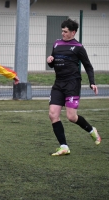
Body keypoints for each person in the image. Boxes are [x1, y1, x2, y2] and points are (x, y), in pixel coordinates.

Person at [46, 18, 101, 156]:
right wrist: (50, 61)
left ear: (73, 32)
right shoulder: (57, 43)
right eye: (62, 31)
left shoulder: (78, 47)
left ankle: (91, 130)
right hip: (58, 83)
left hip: (72, 84)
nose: (63, 34)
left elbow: (88, 66)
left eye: (65, 32)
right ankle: (64, 146)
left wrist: (92, 82)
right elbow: (54, 62)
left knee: (71, 117)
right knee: (53, 114)